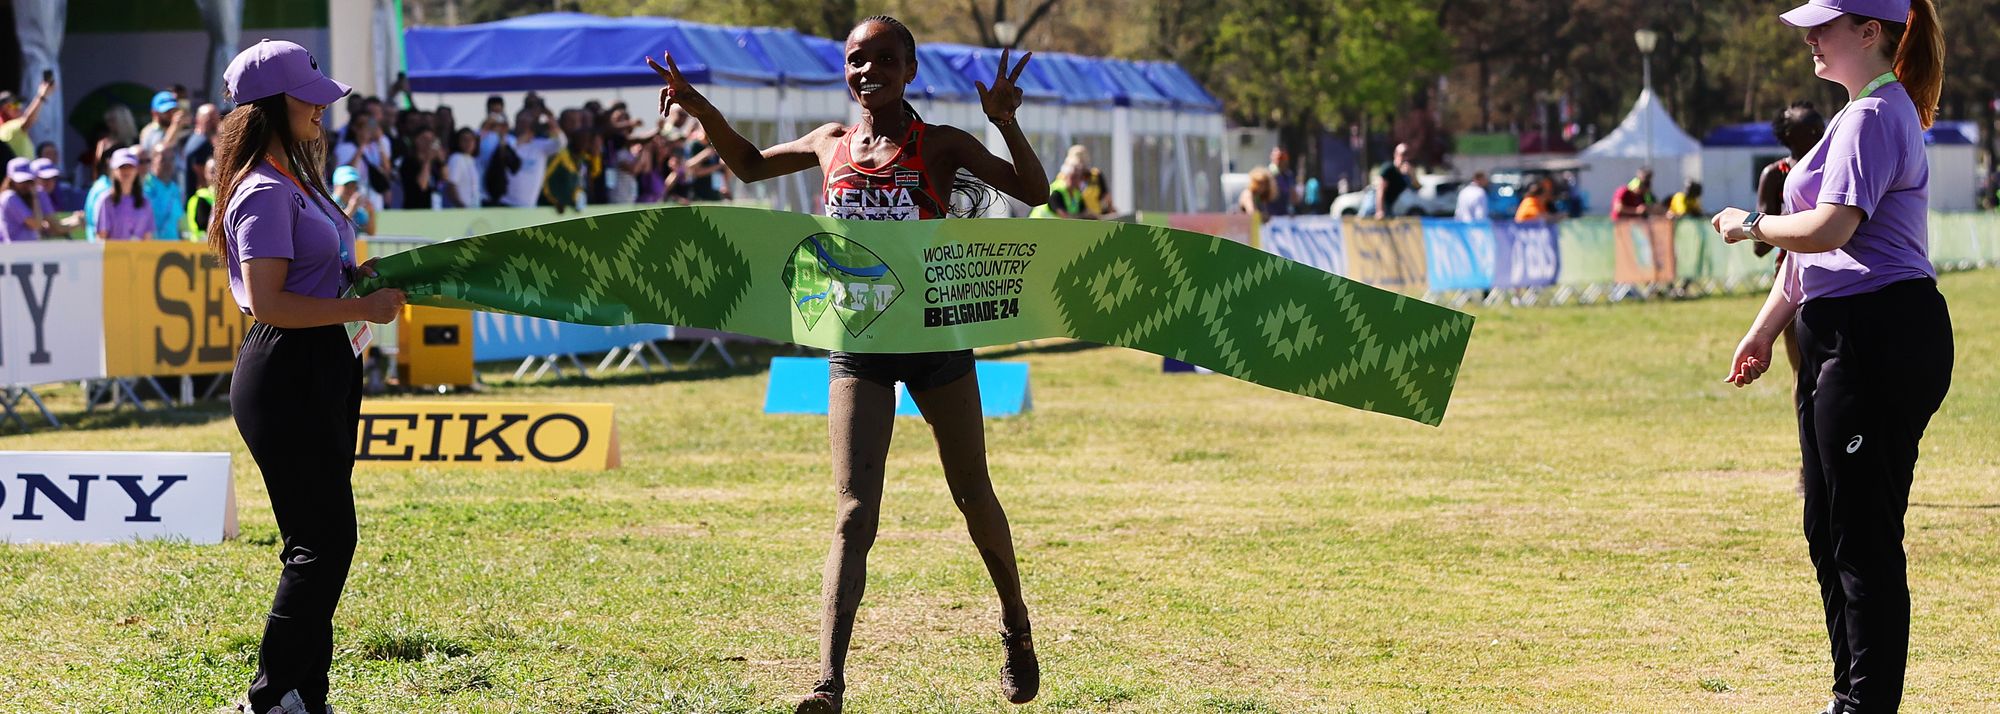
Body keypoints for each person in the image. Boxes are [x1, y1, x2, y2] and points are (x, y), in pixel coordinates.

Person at [648, 15, 1049, 711]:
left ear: (910, 70)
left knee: (972, 494)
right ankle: (826, 687)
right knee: (853, 513)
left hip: (936, 340)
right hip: (858, 344)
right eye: (857, 61)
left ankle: (1015, 623)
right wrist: (697, 103)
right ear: (846, 72)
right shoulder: (829, 143)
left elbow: (1035, 192)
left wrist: (1006, 122)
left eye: (885, 59)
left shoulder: (942, 144)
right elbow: (746, 166)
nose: (870, 71)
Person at [1713, 2, 1949, 712]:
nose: (1810, 39)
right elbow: (1810, 258)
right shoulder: (1854, 117)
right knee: (1829, 527)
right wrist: (1764, 329)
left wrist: (1749, 222)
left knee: (1860, 534)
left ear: (1869, 31)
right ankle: (1850, 695)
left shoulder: (1877, 116)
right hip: (1843, 332)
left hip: (1878, 334)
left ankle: (1865, 704)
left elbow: (1831, 227)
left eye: (1825, 26)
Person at [209, 39, 405, 714]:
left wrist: (351, 279)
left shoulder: (294, 180)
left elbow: (305, 277)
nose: (323, 113)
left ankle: (301, 694)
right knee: (325, 539)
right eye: (311, 100)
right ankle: (270, 699)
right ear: (273, 106)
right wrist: (361, 306)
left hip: (320, 364)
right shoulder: (264, 191)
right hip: (287, 367)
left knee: (319, 539)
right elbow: (268, 303)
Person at [501, 105, 562, 208]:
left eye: (527, 123)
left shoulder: (541, 146)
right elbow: (504, 153)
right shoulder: (508, 141)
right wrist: (520, 141)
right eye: (521, 123)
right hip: (505, 203)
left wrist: (552, 121)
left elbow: (561, 143)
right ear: (515, 123)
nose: (524, 126)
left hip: (529, 206)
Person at [94, 148, 153, 240]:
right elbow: (101, 238)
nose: (126, 171)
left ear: (136, 170)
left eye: (130, 166)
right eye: (122, 167)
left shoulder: (145, 202)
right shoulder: (106, 201)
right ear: (113, 170)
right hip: (114, 254)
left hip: (138, 254)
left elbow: (147, 238)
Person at [0, 75, 56, 161]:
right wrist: (41, 96)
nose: (19, 108)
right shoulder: (7, 128)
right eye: (15, 105)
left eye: (19, 104)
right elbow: (28, 120)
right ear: (4, 109)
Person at [142, 146, 187, 240]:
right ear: (153, 160)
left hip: (173, 250)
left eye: (171, 159)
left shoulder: (176, 190)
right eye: (163, 159)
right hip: (149, 249)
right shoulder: (144, 186)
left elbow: (180, 223)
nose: (168, 164)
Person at [398, 124, 443, 209]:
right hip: (415, 208)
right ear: (416, 140)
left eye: (431, 140)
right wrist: (427, 161)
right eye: (424, 139)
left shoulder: (434, 162)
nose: (428, 142)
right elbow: (422, 185)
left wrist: (441, 160)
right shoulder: (409, 162)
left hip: (433, 207)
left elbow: (446, 177)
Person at [2, 158, 46, 242]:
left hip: (24, 250)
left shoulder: (20, 197)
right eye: (20, 181)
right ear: (10, 180)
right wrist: (35, 196)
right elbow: (36, 224)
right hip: (15, 251)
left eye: (28, 181)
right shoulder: (10, 197)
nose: (25, 184)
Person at [184, 103, 221, 191]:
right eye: (209, 120)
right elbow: (202, 180)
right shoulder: (201, 144)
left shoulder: (201, 139)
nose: (215, 124)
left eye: (216, 118)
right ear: (198, 120)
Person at [332, 165, 377, 236]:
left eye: (354, 185)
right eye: (346, 185)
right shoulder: (328, 204)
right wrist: (351, 208)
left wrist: (371, 213)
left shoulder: (356, 208)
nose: (350, 189)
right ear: (336, 185)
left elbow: (371, 232)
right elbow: (336, 226)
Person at [1372, 143, 1413, 219]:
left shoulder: (1406, 174)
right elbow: (1380, 190)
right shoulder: (1389, 168)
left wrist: (1412, 174)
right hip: (1374, 205)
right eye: (1403, 154)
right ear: (1396, 154)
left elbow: (1417, 188)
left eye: (1407, 154)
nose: (1405, 158)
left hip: (1389, 206)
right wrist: (1379, 210)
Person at [443, 128, 480, 209]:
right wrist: (461, 207)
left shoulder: (472, 160)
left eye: (471, 140)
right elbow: (451, 185)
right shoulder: (456, 158)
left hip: (472, 209)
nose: (468, 143)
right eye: (464, 140)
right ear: (458, 141)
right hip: (459, 211)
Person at [186, 158, 217, 242]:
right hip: (201, 246)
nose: (216, 175)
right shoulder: (199, 198)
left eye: (218, 171)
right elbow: (199, 226)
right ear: (205, 174)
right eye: (212, 172)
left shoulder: (229, 198)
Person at [1265, 146, 1297, 216]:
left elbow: (1293, 197)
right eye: (1278, 158)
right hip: (1270, 216)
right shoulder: (1267, 174)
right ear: (1272, 157)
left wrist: (1291, 209)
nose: (1279, 161)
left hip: (1284, 215)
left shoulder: (1288, 175)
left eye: (1282, 158)